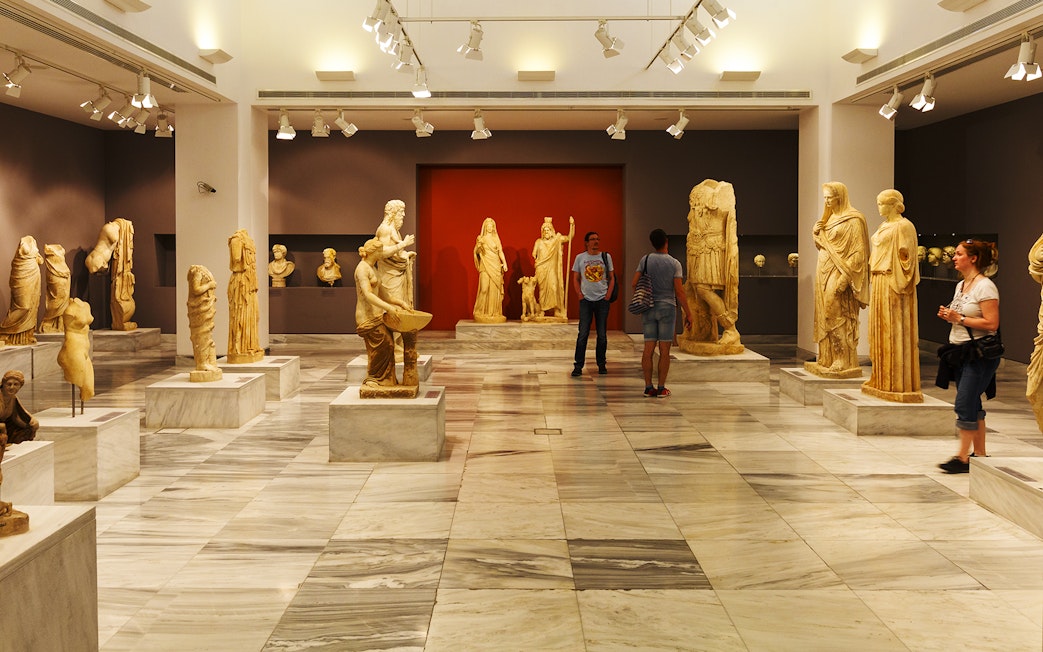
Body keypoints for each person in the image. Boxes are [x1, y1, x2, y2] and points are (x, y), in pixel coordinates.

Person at [936, 238, 1001, 474]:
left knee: (964, 402)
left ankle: (962, 458)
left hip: (980, 354)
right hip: (961, 351)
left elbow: (992, 323)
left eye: (959, 254)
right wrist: (950, 316)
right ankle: (980, 454)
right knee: (972, 401)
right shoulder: (961, 285)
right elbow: (962, 315)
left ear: (973, 259)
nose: (954, 257)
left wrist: (959, 319)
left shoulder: (985, 286)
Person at [861, 189, 922, 403]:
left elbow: (908, 260)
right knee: (878, 330)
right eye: (878, 203)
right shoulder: (883, 226)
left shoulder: (904, 226)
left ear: (894, 204)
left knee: (894, 331)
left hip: (892, 283)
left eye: (882, 203)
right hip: (878, 281)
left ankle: (897, 382)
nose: (879, 207)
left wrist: (900, 279)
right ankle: (880, 378)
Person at [805, 181, 869, 378]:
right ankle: (827, 357)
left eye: (829, 197)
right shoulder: (829, 218)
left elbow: (859, 253)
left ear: (839, 196)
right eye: (824, 198)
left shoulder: (854, 220)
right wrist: (816, 232)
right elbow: (823, 245)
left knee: (835, 311)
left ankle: (842, 358)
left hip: (839, 272)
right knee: (824, 313)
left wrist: (845, 277)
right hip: (823, 270)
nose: (826, 201)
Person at [680, 179, 742, 354]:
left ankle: (730, 328)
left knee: (703, 289)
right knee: (692, 289)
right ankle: (700, 332)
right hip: (697, 249)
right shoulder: (700, 195)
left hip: (711, 249)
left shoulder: (721, 194)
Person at [634, 228, 692, 398]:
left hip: (649, 307)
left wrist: (642, 297)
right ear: (666, 241)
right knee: (664, 350)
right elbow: (679, 292)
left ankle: (647, 387)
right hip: (667, 308)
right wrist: (688, 313)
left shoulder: (645, 260)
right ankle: (661, 388)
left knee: (648, 349)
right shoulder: (674, 263)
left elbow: (634, 282)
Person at [571, 231, 614, 376]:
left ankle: (601, 364)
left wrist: (608, 294)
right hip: (586, 301)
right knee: (583, 334)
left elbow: (612, 277)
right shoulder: (580, 258)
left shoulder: (606, 257)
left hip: (602, 300)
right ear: (586, 242)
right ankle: (578, 366)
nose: (596, 241)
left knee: (602, 335)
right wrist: (579, 294)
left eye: (597, 239)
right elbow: (575, 277)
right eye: (592, 239)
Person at [227, 229, 264, 364]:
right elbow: (236, 258)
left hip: (249, 281)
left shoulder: (248, 240)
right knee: (240, 316)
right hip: (241, 282)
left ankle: (251, 345)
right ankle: (240, 349)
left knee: (253, 315)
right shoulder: (237, 239)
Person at [0, 236, 43, 345]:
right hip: (22, 274)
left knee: (32, 306)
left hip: (33, 274)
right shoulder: (19, 258)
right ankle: (4, 330)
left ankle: (26, 335)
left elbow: (41, 260)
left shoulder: (33, 243)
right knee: (24, 306)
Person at [531, 216, 575, 321]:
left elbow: (569, 237)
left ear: (551, 230)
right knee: (542, 290)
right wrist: (537, 259)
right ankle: (542, 310)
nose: (546, 232)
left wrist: (572, 225)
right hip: (542, 268)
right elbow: (533, 253)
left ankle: (556, 310)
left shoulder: (557, 240)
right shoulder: (538, 242)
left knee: (554, 287)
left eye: (548, 230)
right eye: (544, 230)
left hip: (552, 268)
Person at [472, 217, 508, 323]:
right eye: (488, 226)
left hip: (495, 265)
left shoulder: (496, 238)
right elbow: (477, 252)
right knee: (484, 288)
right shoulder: (481, 238)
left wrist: (504, 263)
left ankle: (494, 312)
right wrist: (478, 248)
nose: (490, 228)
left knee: (494, 289)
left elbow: (500, 251)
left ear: (493, 227)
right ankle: (480, 311)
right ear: (485, 227)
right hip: (485, 265)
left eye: (491, 226)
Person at [0, 370, 38, 445]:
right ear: (3, 384)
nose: (12, 387)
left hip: (4, 427)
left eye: (16, 384)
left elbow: (19, 415)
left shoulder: (13, 398)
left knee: (28, 428)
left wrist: (32, 421)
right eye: (9, 384)